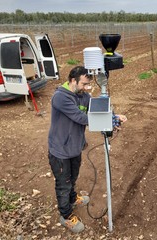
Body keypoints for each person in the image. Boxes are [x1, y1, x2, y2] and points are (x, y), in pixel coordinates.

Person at [48, 66, 127, 233]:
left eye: (88, 85)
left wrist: (114, 116)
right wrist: (109, 122)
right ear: (72, 81)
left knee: (73, 176)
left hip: (74, 147)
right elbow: (81, 117)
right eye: (84, 84)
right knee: (63, 183)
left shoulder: (82, 95)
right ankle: (66, 215)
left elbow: (96, 108)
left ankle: (72, 198)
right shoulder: (60, 97)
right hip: (60, 150)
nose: (86, 88)